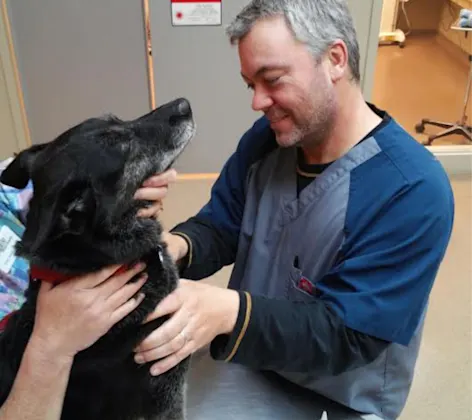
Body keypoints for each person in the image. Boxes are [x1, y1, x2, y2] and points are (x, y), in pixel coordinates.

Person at [0, 0, 455, 419]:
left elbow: (350, 336)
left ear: (335, 59)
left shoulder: (412, 190)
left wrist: (227, 312)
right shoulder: (269, 142)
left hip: (339, 395)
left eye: (272, 80)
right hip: (249, 356)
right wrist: (167, 249)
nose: (257, 102)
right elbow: (221, 226)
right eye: (250, 84)